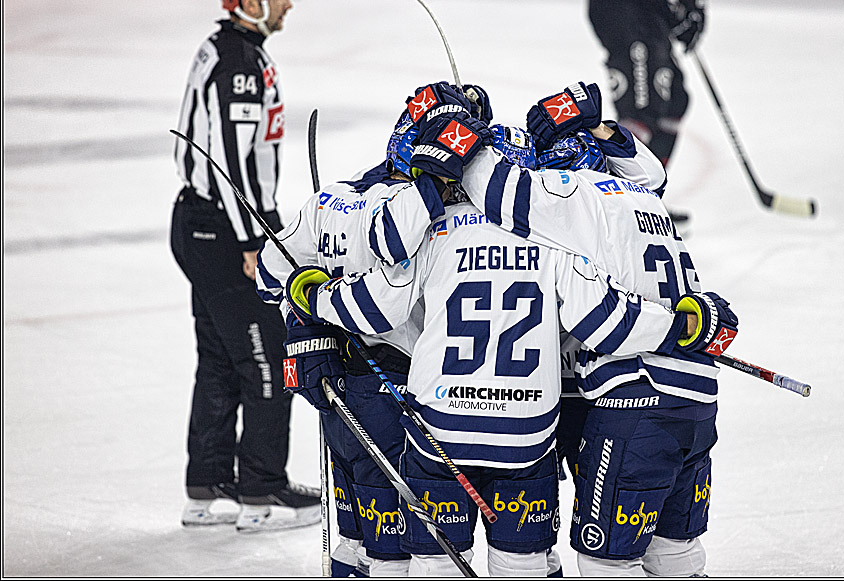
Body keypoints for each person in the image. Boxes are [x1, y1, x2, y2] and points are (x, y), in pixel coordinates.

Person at [283, 84, 700, 577]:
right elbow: (605, 315)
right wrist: (684, 325)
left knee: (429, 562)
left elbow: (373, 306)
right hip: (529, 431)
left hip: (438, 428)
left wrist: (311, 301)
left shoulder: (430, 230)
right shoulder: (561, 235)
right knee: (526, 563)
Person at [458, 81, 739, 576]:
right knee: (674, 551)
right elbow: (649, 168)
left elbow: (497, 189)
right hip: (695, 402)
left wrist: (453, 132)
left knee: (605, 559)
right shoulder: (641, 194)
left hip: (637, 403)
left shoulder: (576, 198)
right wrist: (596, 125)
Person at [255, 103, 464, 574]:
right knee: (398, 545)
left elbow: (269, 275)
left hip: (340, 390)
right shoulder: (418, 213)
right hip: (395, 390)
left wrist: (306, 318)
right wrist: (316, 309)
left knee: (353, 531)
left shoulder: (331, 199)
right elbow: (379, 306)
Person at [170, 0, 318, 532]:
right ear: (249, 2)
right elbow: (231, 161)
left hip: (201, 224)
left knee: (220, 357)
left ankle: (207, 486)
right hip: (228, 230)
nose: (287, 3)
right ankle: (261, 493)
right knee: (268, 357)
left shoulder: (231, 49)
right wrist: (255, 238)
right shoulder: (239, 64)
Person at [587, 0, 705, 226]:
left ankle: (646, 199)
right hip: (619, 1)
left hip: (644, 3)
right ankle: (616, 207)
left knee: (673, 102)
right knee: (640, 109)